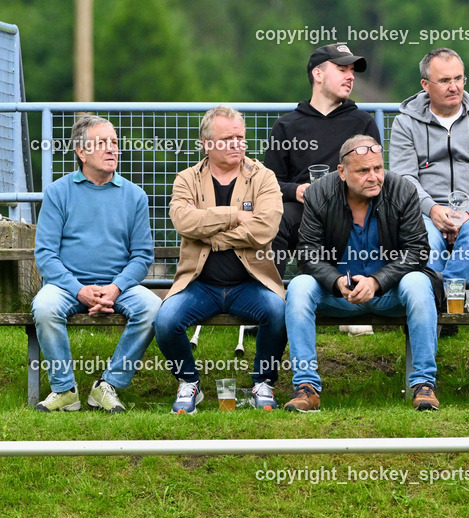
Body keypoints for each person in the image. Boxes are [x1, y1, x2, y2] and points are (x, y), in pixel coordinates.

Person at [283, 135, 442, 412]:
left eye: (378, 168)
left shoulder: (402, 190)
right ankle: (306, 387)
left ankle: (423, 385)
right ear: (342, 172)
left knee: (418, 282)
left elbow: (417, 250)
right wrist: (334, 282)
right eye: (363, 170)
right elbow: (307, 253)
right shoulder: (319, 192)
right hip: (338, 294)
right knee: (298, 286)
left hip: (389, 292)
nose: (374, 177)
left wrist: (377, 282)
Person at [154, 106, 286, 414]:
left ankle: (262, 382)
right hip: (199, 285)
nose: (237, 144)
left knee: (278, 312)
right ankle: (189, 382)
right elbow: (185, 222)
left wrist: (213, 236)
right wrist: (234, 215)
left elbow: (265, 227)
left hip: (250, 284)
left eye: (240, 137)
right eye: (227, 138)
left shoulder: (263, 177)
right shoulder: (187, 179)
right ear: (206, 142)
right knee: (165, 320)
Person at [31, 115, 161, 413]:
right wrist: (79, 290)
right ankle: (64, 390)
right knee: (45, 307)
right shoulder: (58, 193)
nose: (112, 149)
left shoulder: (134, 196)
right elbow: (46, 255)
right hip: (67, 287)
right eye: (102, 143)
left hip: (119, 287)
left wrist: (115, 288)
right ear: (81, 152)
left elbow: (142, 256)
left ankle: (109, 385)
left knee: (154, 309)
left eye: (114, 142)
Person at [389, 47, 469, 281]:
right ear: (425, 84)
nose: (454, 87)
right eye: (444, 80)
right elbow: (404, 177)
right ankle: (436, 301)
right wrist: (432, 209)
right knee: (427, 244)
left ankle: (443, 298)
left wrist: (464, 212)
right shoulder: (405, 123)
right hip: (423, 210)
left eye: (458, 79)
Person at [264, 43, 381, 277]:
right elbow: (269, 182)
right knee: (275, 218)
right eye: (342, 70)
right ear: (318, 74)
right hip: (303, 211)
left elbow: (375, 177)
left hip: (350, 210)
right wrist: (297, 191)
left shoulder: (362, 122)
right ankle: (271, 296)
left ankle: (375, 289)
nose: (350, 77)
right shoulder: (286, 125)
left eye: (352, 72)